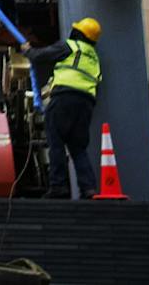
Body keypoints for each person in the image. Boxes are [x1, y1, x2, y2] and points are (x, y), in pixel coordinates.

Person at [25, 17, 102, 199]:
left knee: (56, 143)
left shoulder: (71, 47)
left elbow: (40, 56)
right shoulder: (93, 58)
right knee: (78, 147)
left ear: (78, 33)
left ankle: (59, 186)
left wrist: (28, 51)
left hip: (64, 99)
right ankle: (88, 188)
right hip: (86, 104)